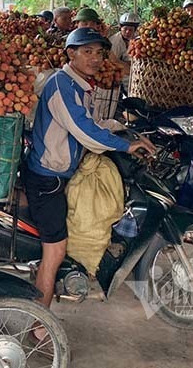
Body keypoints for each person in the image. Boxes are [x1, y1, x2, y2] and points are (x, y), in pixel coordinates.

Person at [25, 27, 155, 323]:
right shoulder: (61, 84)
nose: (95, 59)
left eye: (99, 53)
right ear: (71, 54)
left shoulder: (79, 87)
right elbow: (85, 131)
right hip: (47, 179)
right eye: (87, 52)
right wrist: (125, 144)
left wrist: (122, 128)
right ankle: (38, 325)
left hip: (60, 175)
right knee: (55, 252)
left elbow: (93, 123)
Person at [109, 12, 140, 89]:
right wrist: (130, 68)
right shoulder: (115, 41)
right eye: (125, 29)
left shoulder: (137, 38)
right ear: (120, 28)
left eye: (130, 30)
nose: (127, 32)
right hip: (119, 73)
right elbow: (113, 62)